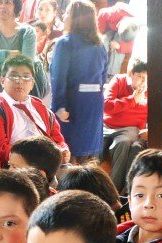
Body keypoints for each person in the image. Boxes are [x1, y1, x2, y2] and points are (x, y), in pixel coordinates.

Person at [0, 53, 69, 167]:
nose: (20, 81)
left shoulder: (41, 109)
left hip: (48, 164)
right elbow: (0, 149)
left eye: (26, 77)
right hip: (15, 167)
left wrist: (63, 150)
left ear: (32, 84)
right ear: (2, 81)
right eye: (13, 76)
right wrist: (38, 154)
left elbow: (58, 140)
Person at [50, 0, 107, 162]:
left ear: (75, 18)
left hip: (72, 106)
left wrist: (59, 106)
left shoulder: (65, 43)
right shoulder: (100, 44)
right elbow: (103, 77)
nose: (65, 16)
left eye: (67, 13)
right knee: (89, 158)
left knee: (68, 155)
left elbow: (58, 78)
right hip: (94, 105)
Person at [102, 57, 147, 193]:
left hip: (130, 129)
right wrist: (131, 100)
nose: (143, 81)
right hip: (107, 125)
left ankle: (112, 192)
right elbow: (106, 105)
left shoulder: (148, 89)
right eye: (140, 77)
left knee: (122, 143)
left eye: (146, 78)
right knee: (94, 149)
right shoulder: (119, 81)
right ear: (130, 74)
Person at [0, 0, 37, 96]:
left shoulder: (27, 32)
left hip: (17, 96)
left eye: (8, 2)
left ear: (16, 6)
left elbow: (26, 66)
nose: (2, 6)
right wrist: (9, 54)